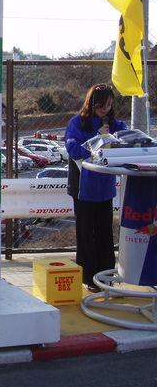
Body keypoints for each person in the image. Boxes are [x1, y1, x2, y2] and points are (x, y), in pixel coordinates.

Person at [65, 83, 127, 292]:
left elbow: (126, 141)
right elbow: (74, 150)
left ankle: (106, 277)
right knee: (86, 234)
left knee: (105, 233)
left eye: (109, 105)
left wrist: (125, 137)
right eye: (101, 105)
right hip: (83, 189)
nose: (105, 109)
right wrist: (98, 137)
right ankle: (89, 278)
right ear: (91, 103)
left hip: (105, 188)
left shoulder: (114, 124)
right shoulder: (77, 123)